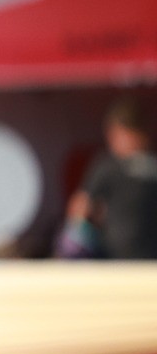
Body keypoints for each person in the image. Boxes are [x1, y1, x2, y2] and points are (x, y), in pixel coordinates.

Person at [65, 97, 157, 259]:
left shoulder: (151, 163)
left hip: (149, 261)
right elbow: (81, 207)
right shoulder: (107, 166)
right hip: (115, 261)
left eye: (120, 134)